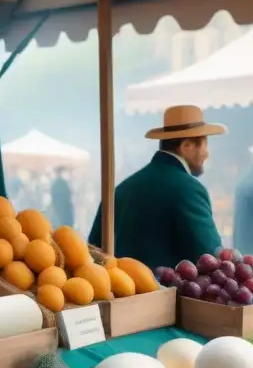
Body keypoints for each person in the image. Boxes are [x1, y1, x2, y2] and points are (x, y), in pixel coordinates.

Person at [88, 105, 224, 269]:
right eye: (204, 145)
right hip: (168, 294)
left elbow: (93, 250)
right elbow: (211, 258)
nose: (207, 154)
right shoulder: (189, 189)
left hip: (120, 293)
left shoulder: (121, 189)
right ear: (186, 145)